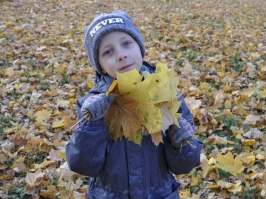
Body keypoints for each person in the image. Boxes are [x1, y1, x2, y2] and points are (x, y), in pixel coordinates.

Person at [66, 10, 203, 199]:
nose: (120, 55)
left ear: (140, 47)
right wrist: (92, 125)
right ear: (100, 65)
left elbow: (185, 166)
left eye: (126, 43)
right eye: (108, 51)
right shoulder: (94, 106)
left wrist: (181, 143)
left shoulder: (166, 94)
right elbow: (83, 165)